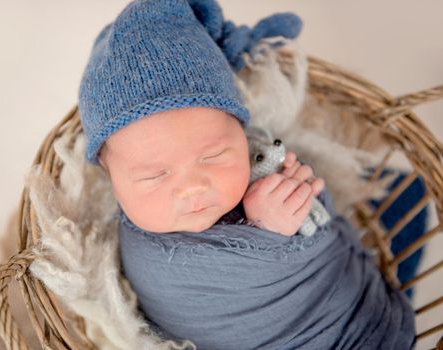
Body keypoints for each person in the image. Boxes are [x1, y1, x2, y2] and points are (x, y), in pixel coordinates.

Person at [78, 0, 416, 349]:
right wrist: (267, 233)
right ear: (109, 173)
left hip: (345, 319)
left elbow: (321, 225)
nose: (192, 187)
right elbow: (187, 307)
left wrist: (292, 199)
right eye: (154, 175)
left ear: (241, 132)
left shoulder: (262, 159)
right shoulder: (144, 252)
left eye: (214, 155)